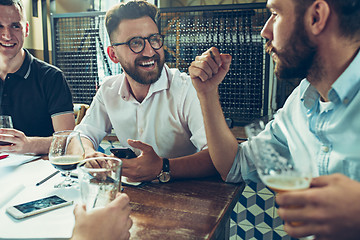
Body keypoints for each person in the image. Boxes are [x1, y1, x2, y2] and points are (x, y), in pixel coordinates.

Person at [189, 0, 360, 239]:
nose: (264, 31)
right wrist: (207, 94)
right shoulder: (300, 103)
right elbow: (235, 166)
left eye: (275, 14)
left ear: (316, 17)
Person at [74, 1, 217, 183]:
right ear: (113, 55)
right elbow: (81, 135)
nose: (150, 51)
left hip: (189, 196)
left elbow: (217, 158)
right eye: (136, 43)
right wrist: (88, 153)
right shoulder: (108, 90)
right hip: (135, 198)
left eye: (154, 39)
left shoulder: (187, 88)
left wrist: (163, 167)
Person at [0, 0, 75, 155]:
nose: (7, 35)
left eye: (15, 26)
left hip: (40, 171)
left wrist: (29, 145)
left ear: (26, 29)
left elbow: (69, 140)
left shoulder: (52, 78)